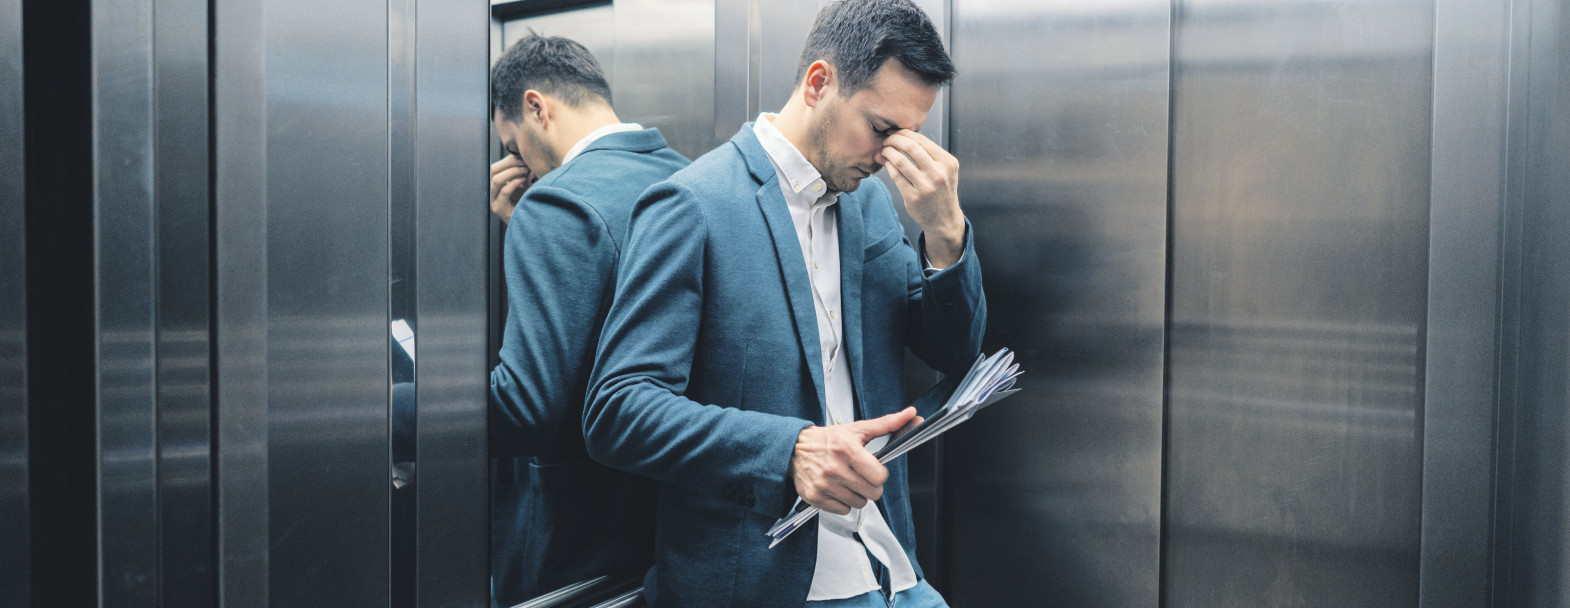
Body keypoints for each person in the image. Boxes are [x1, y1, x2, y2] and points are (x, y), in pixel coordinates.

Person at [583, 1, 984, 606]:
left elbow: (952, 351)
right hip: (767, 579)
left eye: (909, 136)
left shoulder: (871, 205)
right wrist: (788, 448)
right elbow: (617, 411)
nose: (888, 156)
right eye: (880, 129)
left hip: (893, 568)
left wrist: (945, 232)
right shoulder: (692, 206)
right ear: (819, 83)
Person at [485, 32, 690, 607]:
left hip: (578, 551)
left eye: (512, 145)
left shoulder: (558, 205)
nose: (516, 164)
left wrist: (406, 409)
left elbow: (530, 408)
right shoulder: (692, 178)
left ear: (536, 108)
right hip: (672, 540)